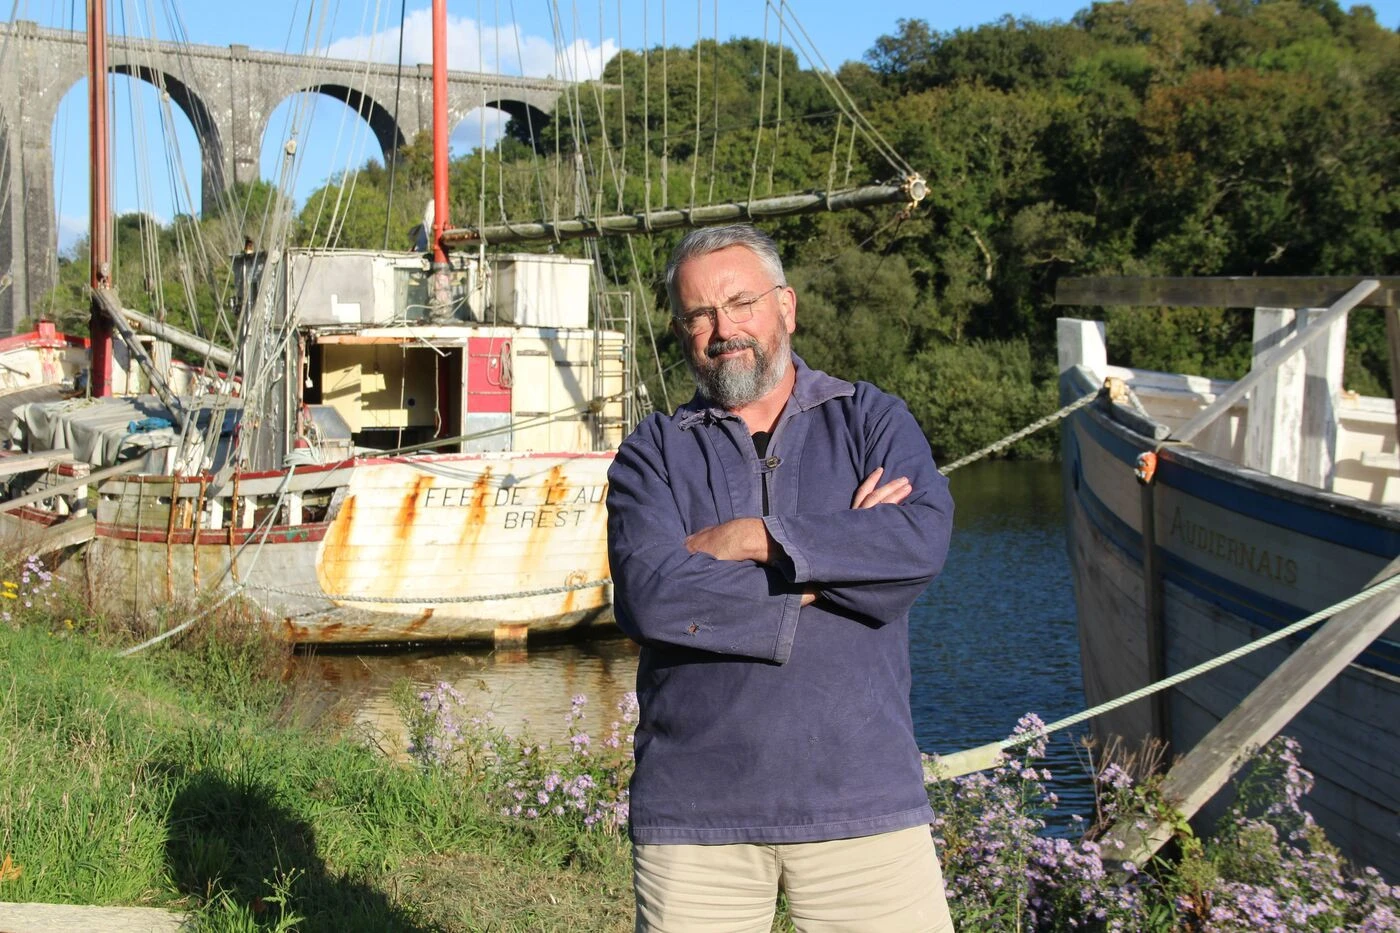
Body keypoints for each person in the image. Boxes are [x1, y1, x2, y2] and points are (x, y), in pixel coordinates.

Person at [605, 223, 956, 932]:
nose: (722, 328)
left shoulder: (870, 419)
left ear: (786, 307)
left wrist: (753, 540)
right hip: (696, 820)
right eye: (699, 313)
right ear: (681, 329)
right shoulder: (655, 451)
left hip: (865, 808)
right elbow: (650, 595)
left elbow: (917, 543)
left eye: (741, 302)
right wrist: (837, 564)